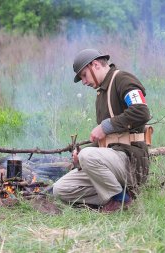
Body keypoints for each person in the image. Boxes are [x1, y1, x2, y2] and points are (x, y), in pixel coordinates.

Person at [53, 48, 151, 213]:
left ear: (95, 65)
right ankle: (117, 196)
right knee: (61, 189)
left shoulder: (123, 79)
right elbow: (109, 142)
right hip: (113, 161)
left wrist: (105, 127)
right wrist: (82, 158)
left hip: (131, 161)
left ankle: (120, 200)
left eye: (84, 75)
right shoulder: (101, 94)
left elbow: (142, 111)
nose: (84, 82)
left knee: (87, 156)